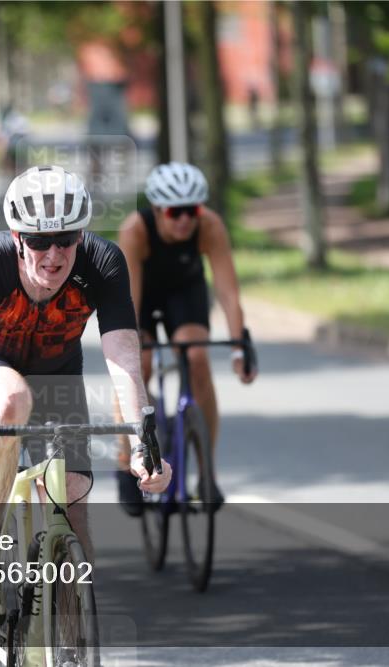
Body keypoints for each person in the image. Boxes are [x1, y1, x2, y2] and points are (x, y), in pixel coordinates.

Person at [0, 165, 172, 631]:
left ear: (81, 235)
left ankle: (69, 633)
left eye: (65, 239)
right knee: (11, 402)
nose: (53, 254)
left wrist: (146, 445)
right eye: (39, 241)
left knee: (72, 504)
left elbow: (123, 357)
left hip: (56, 369)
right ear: (16, 237)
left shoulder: (103, 262)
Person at [114, 162, 257, 515]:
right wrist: (129, 350)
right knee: (139, 366)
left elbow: (228, 292)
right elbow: (127, 301)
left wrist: (240, 346)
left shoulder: (209, 226)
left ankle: (207, 471)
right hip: (141, 297)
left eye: (191, 211)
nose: (184, 220)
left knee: (196, 357)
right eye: (174, 212)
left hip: (184, 292)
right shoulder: (135, 230)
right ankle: (124, 459)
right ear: (159, 210)